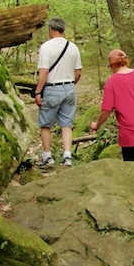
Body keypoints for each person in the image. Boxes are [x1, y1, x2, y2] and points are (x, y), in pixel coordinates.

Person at [33, 17, 82, 167]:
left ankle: (47, 156)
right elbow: (78, 72)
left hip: (52, 88)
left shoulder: (46, 47)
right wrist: (70, 84)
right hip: (70, 87)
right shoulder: (73, 47)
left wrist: (38, 91)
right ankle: (67, 155)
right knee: (67, 124)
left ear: (50, 29)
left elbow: (44, 71)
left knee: (46, 124)